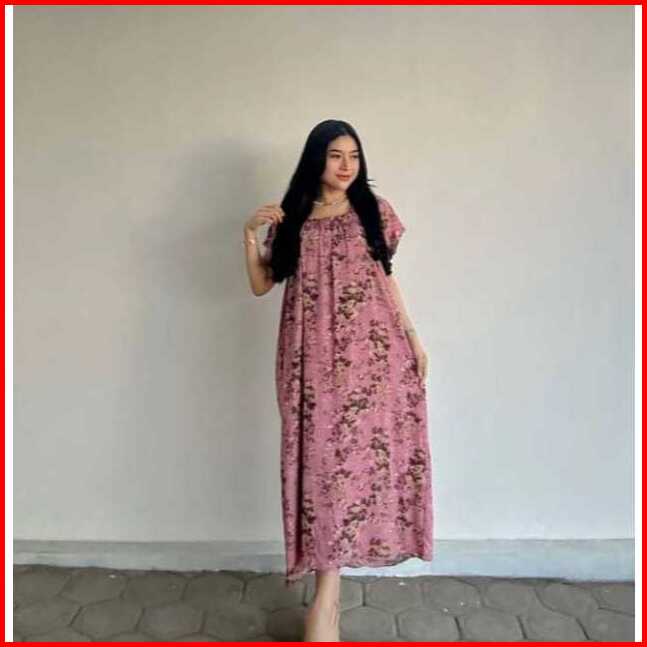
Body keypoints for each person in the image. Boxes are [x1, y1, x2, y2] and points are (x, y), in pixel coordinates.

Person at [243, 119, 433, 642]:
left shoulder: (375, 211)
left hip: (370, 357)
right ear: (316, 160)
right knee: (321, 471)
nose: (347, 165)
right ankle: (327, 597)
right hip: (308, 360)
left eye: (354, 155)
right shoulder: (294, 218)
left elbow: (385, 278)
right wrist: (249, 235)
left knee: (357, 468)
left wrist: (413, 339)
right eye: (335, 155)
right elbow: (261, 284)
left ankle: (326, 603)